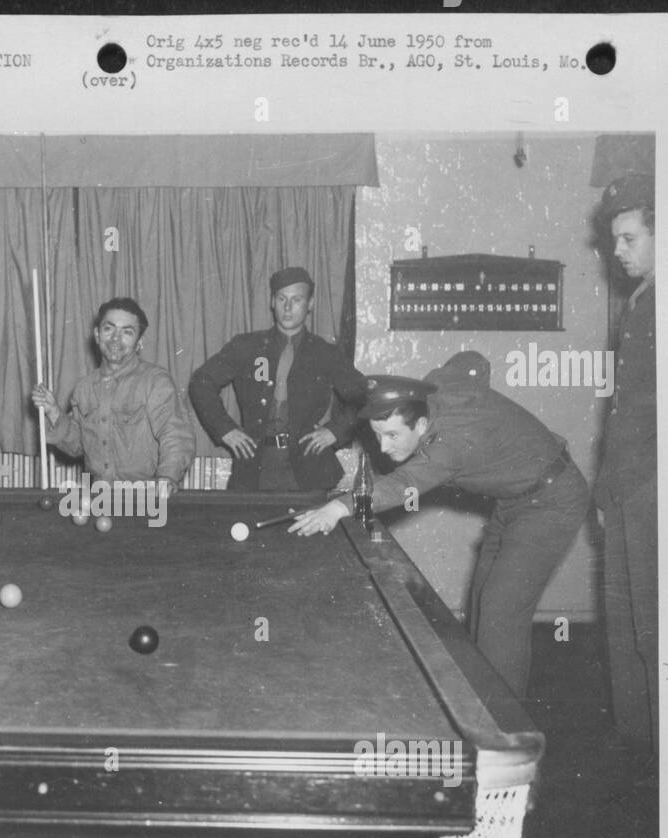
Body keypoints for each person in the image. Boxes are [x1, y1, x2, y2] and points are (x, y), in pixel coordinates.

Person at [290, 353, 590, 700]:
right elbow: (468, 362)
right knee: (481, 600)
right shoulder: (433, 389)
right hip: (515, 498)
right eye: (377, 434)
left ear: (420, 425)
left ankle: (503, 725)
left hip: (552, 503)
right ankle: (484, 695)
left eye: (391, 435)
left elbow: (403, 485)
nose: (384, 448)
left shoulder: (451, 446)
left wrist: (338, 507)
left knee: (500, 611)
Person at [188, 266, 367, 490]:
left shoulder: (325, 353)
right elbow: (201, 382)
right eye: (282, 298)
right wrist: (225, 429)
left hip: (309, 470)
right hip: (253, 468)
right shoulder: (247, 346)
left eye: (297, 299)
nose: (288, 307)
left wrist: (335, 430)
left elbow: (364, 395)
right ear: (273, 301)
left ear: (310, 304)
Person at [594, 174, 657, 749]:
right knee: (625, 626)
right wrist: (607, 492)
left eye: (629, 238)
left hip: (656, 492)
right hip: (626, 490)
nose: (617, 251)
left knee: (654, 630)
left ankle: (665, 758)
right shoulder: (639, 304)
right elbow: (622, 411)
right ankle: (637, 748)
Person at [31, 297, 195, 490]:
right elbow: (77, 446)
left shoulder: (155, 381)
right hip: (100, 497)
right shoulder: (84, 388)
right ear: (97, 335)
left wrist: (167, 478)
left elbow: (175, 434)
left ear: (139, 342)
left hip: (145, 496)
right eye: (109, 329)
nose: (115, 339)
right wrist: (53, 412)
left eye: (127, 332)